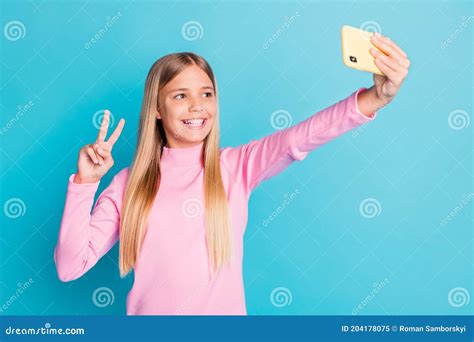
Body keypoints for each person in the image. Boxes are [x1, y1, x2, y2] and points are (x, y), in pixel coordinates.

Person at [53, 33, 410, 315]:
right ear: (157, 109)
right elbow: (70, 267)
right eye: (180, 95)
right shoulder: (128, 184)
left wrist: (376, 97)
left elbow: (298, 138)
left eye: (206, 93)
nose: (197, 106)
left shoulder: (236, 166)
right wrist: (85, 183)